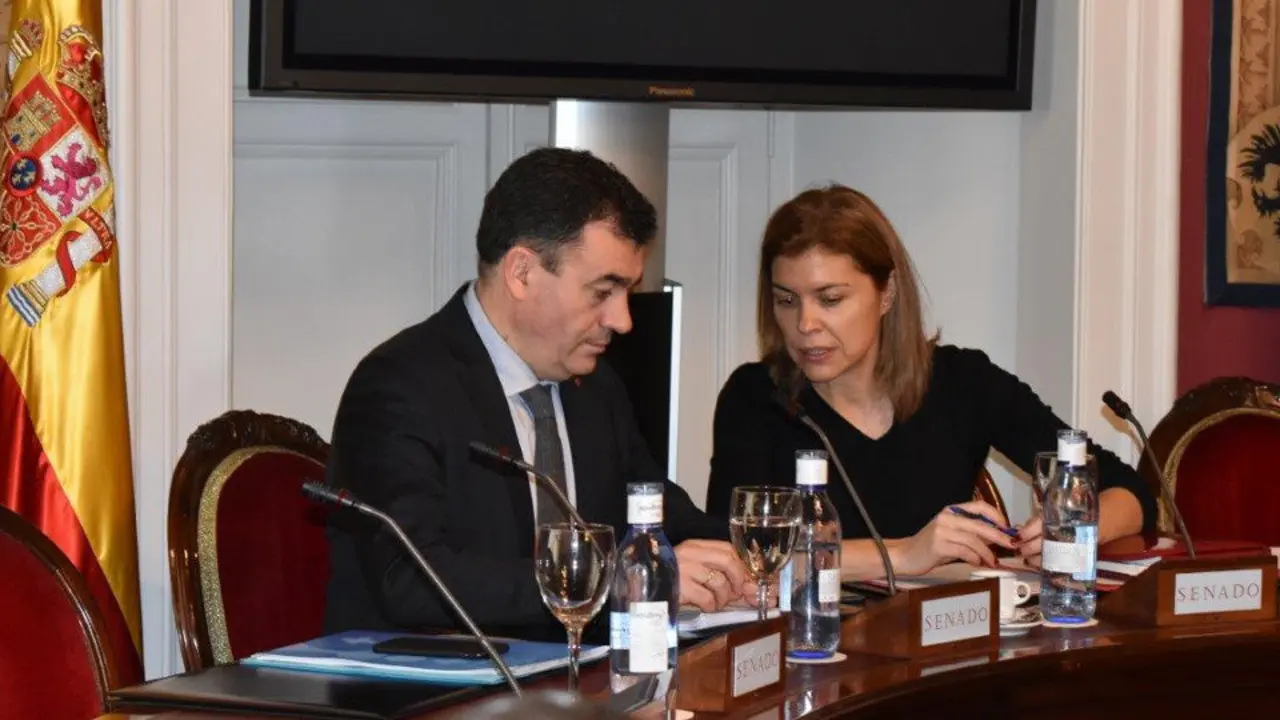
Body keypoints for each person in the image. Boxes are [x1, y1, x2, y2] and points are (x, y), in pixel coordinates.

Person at [323, 147, 751, 641]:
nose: (623, 320)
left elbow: (656, 510)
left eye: (628, 292)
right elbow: (411, 580)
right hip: (432, 693)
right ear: (522, 272)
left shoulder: (593, 384)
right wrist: (612, 580)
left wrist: (754, 561)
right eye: (602, 291)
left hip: (573, 685)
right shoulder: (399, 386)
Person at [705, 184, 1157, 578]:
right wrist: (906, 554)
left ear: (887, 293)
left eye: (830, 299)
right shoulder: (755, 398)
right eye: (786, 300)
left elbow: (1129, 491)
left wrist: (1075, 528)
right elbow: (738, 557)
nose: (805, 324)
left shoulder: (962, 382)